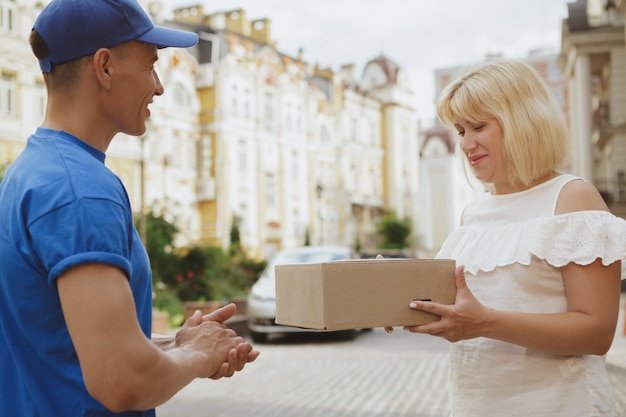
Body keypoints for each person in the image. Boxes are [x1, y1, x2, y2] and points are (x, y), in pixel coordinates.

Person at [0, 0, 259, 415]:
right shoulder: (81, 190)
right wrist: (199, 358)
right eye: (149, 66)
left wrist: (174, 346)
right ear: (104, 67)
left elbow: (58, 344)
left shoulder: (29, 173)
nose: (158, 86)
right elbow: (121, 381)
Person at [395, 60, 626, 416]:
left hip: (561, 406)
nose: (467, 144)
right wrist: (391, 295)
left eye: (478, 126)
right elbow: (464, 308)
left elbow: (596, 334)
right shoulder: (473, 212)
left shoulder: (572, 197)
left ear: (522, 119)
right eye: (459, 131)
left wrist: (485, 322)